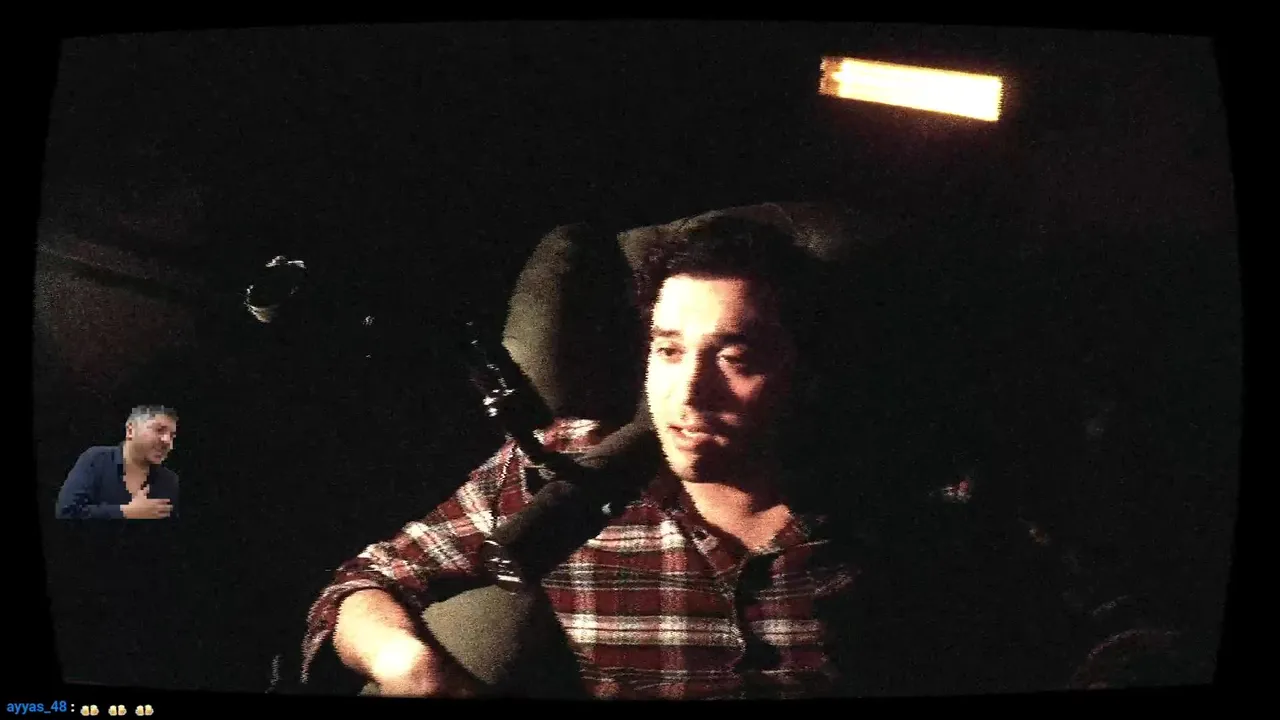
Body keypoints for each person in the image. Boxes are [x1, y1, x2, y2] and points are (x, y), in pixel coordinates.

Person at [296, 215, 1176, 697]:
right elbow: (361, 584)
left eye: (737, 356)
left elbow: (1119, 624)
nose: (690, 392)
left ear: (803, 369)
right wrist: (412, 667)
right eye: (669, 350)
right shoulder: (559, 472)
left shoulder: (922, 491)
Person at [55, 405, 180, 520]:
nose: (167, 441)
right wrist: (126, 512)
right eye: (159, 430)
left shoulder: (168, 480)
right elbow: (66, 512)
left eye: (172, 436)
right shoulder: (97, 459)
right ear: (130, 431)